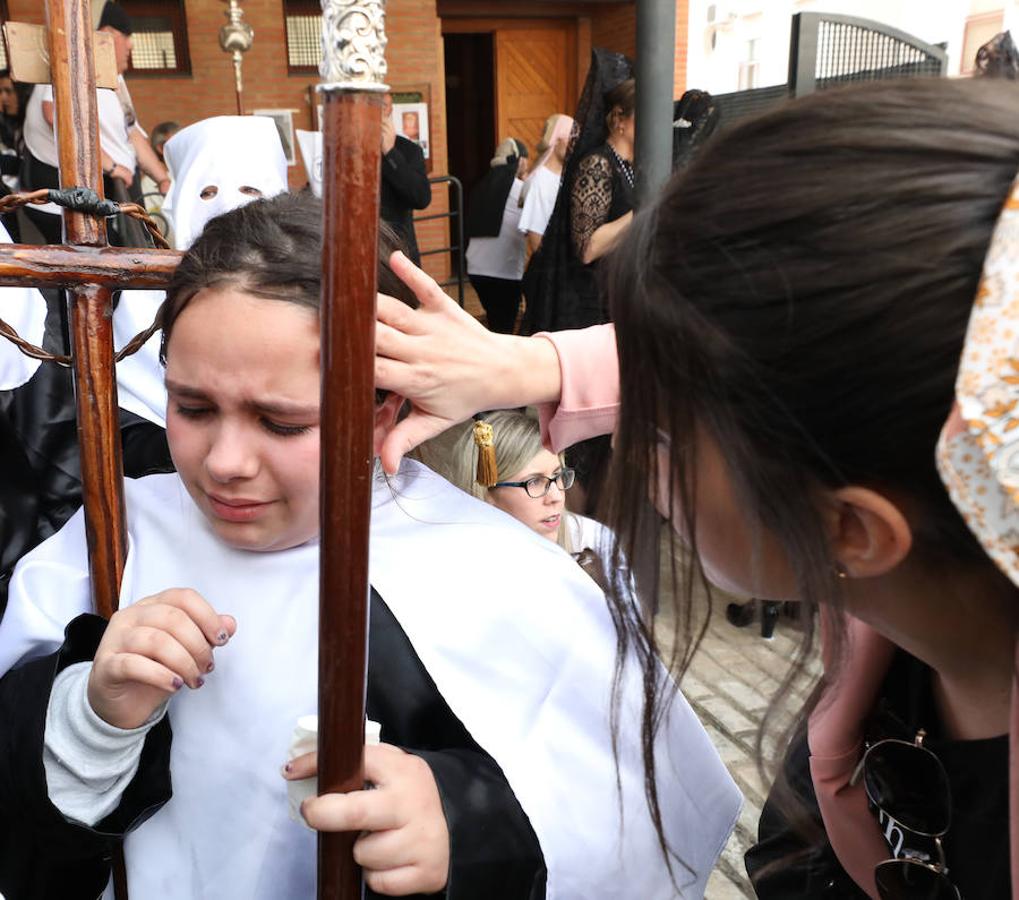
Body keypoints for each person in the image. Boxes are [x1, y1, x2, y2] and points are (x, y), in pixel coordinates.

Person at [370, 77, 1019, 899]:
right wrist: (529, 364)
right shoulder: (943, 519)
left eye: (665, 428)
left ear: (851, 531)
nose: (635, 445)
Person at [0, 192, 741, 899]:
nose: (226, 459)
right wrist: (90, 714)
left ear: (385, 405)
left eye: (282, 422)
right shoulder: (110, 533)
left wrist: (462, 821)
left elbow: (634, 812)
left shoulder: (490, 570)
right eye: (192, 406)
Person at [21, 1, 171, 245]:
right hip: (71, 203)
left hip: (117, 194)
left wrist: (163, 179)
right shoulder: (68, 58)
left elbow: (131, 132)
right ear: (109, 35)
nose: (131, 45)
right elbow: (54, 113)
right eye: (127, 36)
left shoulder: (116, 79)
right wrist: (110, 166)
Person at [522, 49, 635, 336]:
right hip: (592, 303)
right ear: (620, 120)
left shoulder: (629, 166)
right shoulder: (597, 164)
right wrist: (643, 212)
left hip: (619, 295)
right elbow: (588, 249)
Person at [465, 138, 528, 333]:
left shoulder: (481, 184)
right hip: (505, 273)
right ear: (521, 161)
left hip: (476, 270)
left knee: (495, 322)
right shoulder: (520, 189)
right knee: (506, 329)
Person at [381, 93, 431, 266]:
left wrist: (390, 154)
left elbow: (421, 198)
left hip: (398, 251)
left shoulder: (409, 150)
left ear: (390, 109)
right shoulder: (347, 148)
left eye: (383, 105)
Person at [518, 114, 573, 255]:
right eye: (570, 138)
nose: (575, 144)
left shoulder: (570, 176)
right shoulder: (540, 180)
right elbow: (536, 240)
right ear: (556, 140)